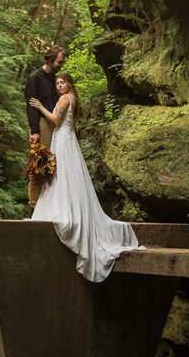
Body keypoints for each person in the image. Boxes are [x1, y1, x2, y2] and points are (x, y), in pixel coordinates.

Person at [29, 72, 143, 282]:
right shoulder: (73, 99)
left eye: (62, 82)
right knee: (68, 176)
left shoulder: (65, 99)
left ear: (69, 84)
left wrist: (40, 107)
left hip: (63, 141)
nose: (59, 86)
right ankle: (71, 206)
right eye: (57, 83)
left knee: (63, 175)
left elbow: (55, 121)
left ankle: (67, 211)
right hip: (67, 139)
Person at [24, 45, 66, 207]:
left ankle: (47, 205)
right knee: (39, 163)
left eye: (62, 62)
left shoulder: (53, 78)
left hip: (54, 124)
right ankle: (34, 205)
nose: (61, 65)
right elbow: (31, 106)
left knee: (52, 165)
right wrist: (35, 131)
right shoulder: (35, 77)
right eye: (59, 62)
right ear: (49, 60)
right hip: (41, 124)